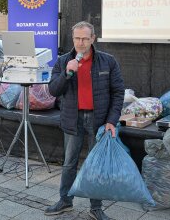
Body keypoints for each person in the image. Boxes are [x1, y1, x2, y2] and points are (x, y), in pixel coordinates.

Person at [46, 21, 125, 220]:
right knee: (69, 163)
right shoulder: (64, 61)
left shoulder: (108, 61)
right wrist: (66, 73)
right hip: (73, 118)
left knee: (95, 165)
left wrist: (111, 121)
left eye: (84, 38)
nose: (80, 43)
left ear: (93, 39)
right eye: (77, 38)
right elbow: (53, 90)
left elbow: (117, 93)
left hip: (98, 121)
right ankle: (65, 201)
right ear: (72, 39)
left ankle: (95, 207)